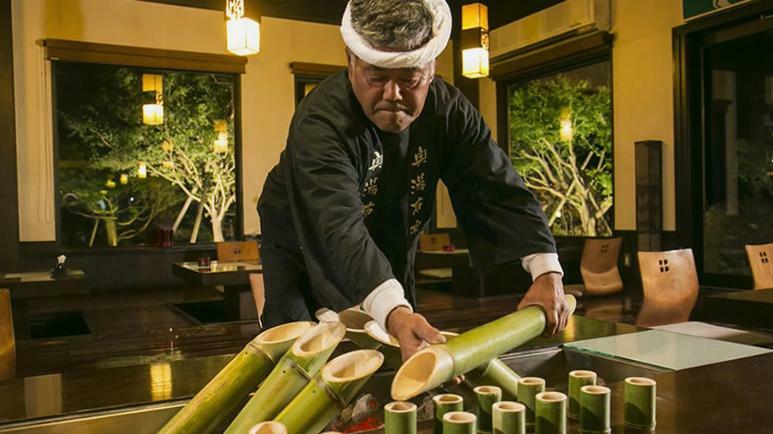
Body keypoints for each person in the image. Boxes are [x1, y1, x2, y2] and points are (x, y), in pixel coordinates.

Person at [257, 0, 570, 361]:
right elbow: (336, 226)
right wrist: (392, 309)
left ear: (432, 68)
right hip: (305, 249)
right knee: (299, 359)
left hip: (390, 245)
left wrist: (547, 272)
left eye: (409, 79)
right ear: (350, 62)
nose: (393, 94)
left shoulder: (447, 110)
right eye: (377, 77)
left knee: (395, 347)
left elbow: (497, 185)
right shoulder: (319, 123)